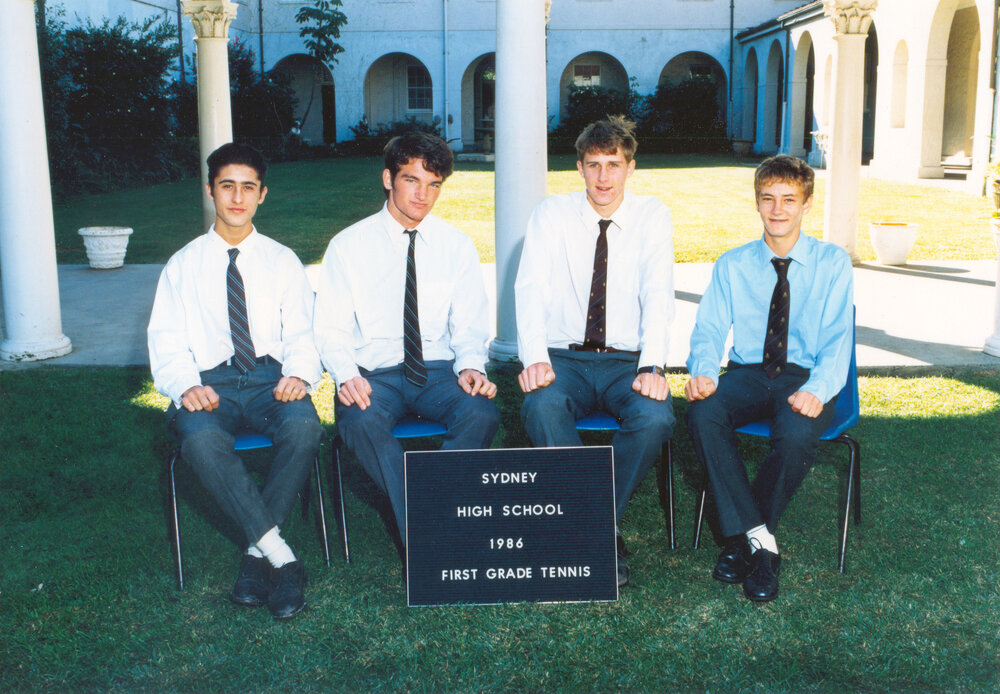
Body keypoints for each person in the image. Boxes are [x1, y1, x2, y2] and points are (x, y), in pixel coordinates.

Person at [148, 142, 323, 620]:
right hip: (211, 384)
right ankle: (282, 559)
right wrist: (186, 384)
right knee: (199, 441)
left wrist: (300, 374)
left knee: (305, 428)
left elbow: (305, 333)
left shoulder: (282, 260)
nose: (238, 198)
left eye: (249, 187)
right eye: (228, 186)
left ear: (262, 194)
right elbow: (166, 339)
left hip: (271, 378)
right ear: (210, 191)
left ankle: (253, 556)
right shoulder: (183, 265)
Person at [314, 130, 499, 548]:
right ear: (387, 179)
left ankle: (427, 517)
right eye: (412, 180)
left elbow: (469, 324)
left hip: (437, 372)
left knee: (481, 414)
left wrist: (471, 365)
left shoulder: (456, 246)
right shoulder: (348, 246)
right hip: (374, 376)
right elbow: (331, 329)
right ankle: (432, 529)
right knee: (359, 421)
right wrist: (347, 376)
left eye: (434, 184)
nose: (423, 195)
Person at [514, 116, 676, 587]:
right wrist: (534, 359)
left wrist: (652, 365)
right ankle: (596, 527)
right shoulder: (551, 213)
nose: (604, 177)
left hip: (627, 361)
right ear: (579, 169)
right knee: (542, 406)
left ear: (630, 168)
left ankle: (588, 522)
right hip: (565, 357)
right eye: (593, 165)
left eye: (614, 164)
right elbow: (529, 288)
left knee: (657, 417)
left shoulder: (652, 215)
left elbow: (659, 292)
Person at [685, 154, 854, 603]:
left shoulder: (833, 263)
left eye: (788, 200)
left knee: (798, 432)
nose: (777, 209)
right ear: (757, 203)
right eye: (768, 199)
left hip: (806, 374)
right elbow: (709, 329)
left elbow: (839, 338)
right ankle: (762, 544)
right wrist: (702, 371)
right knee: (704, 412)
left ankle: (743, 543)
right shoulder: (732, 264)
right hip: (748, 372)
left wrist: (818, 390)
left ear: (807, 204)